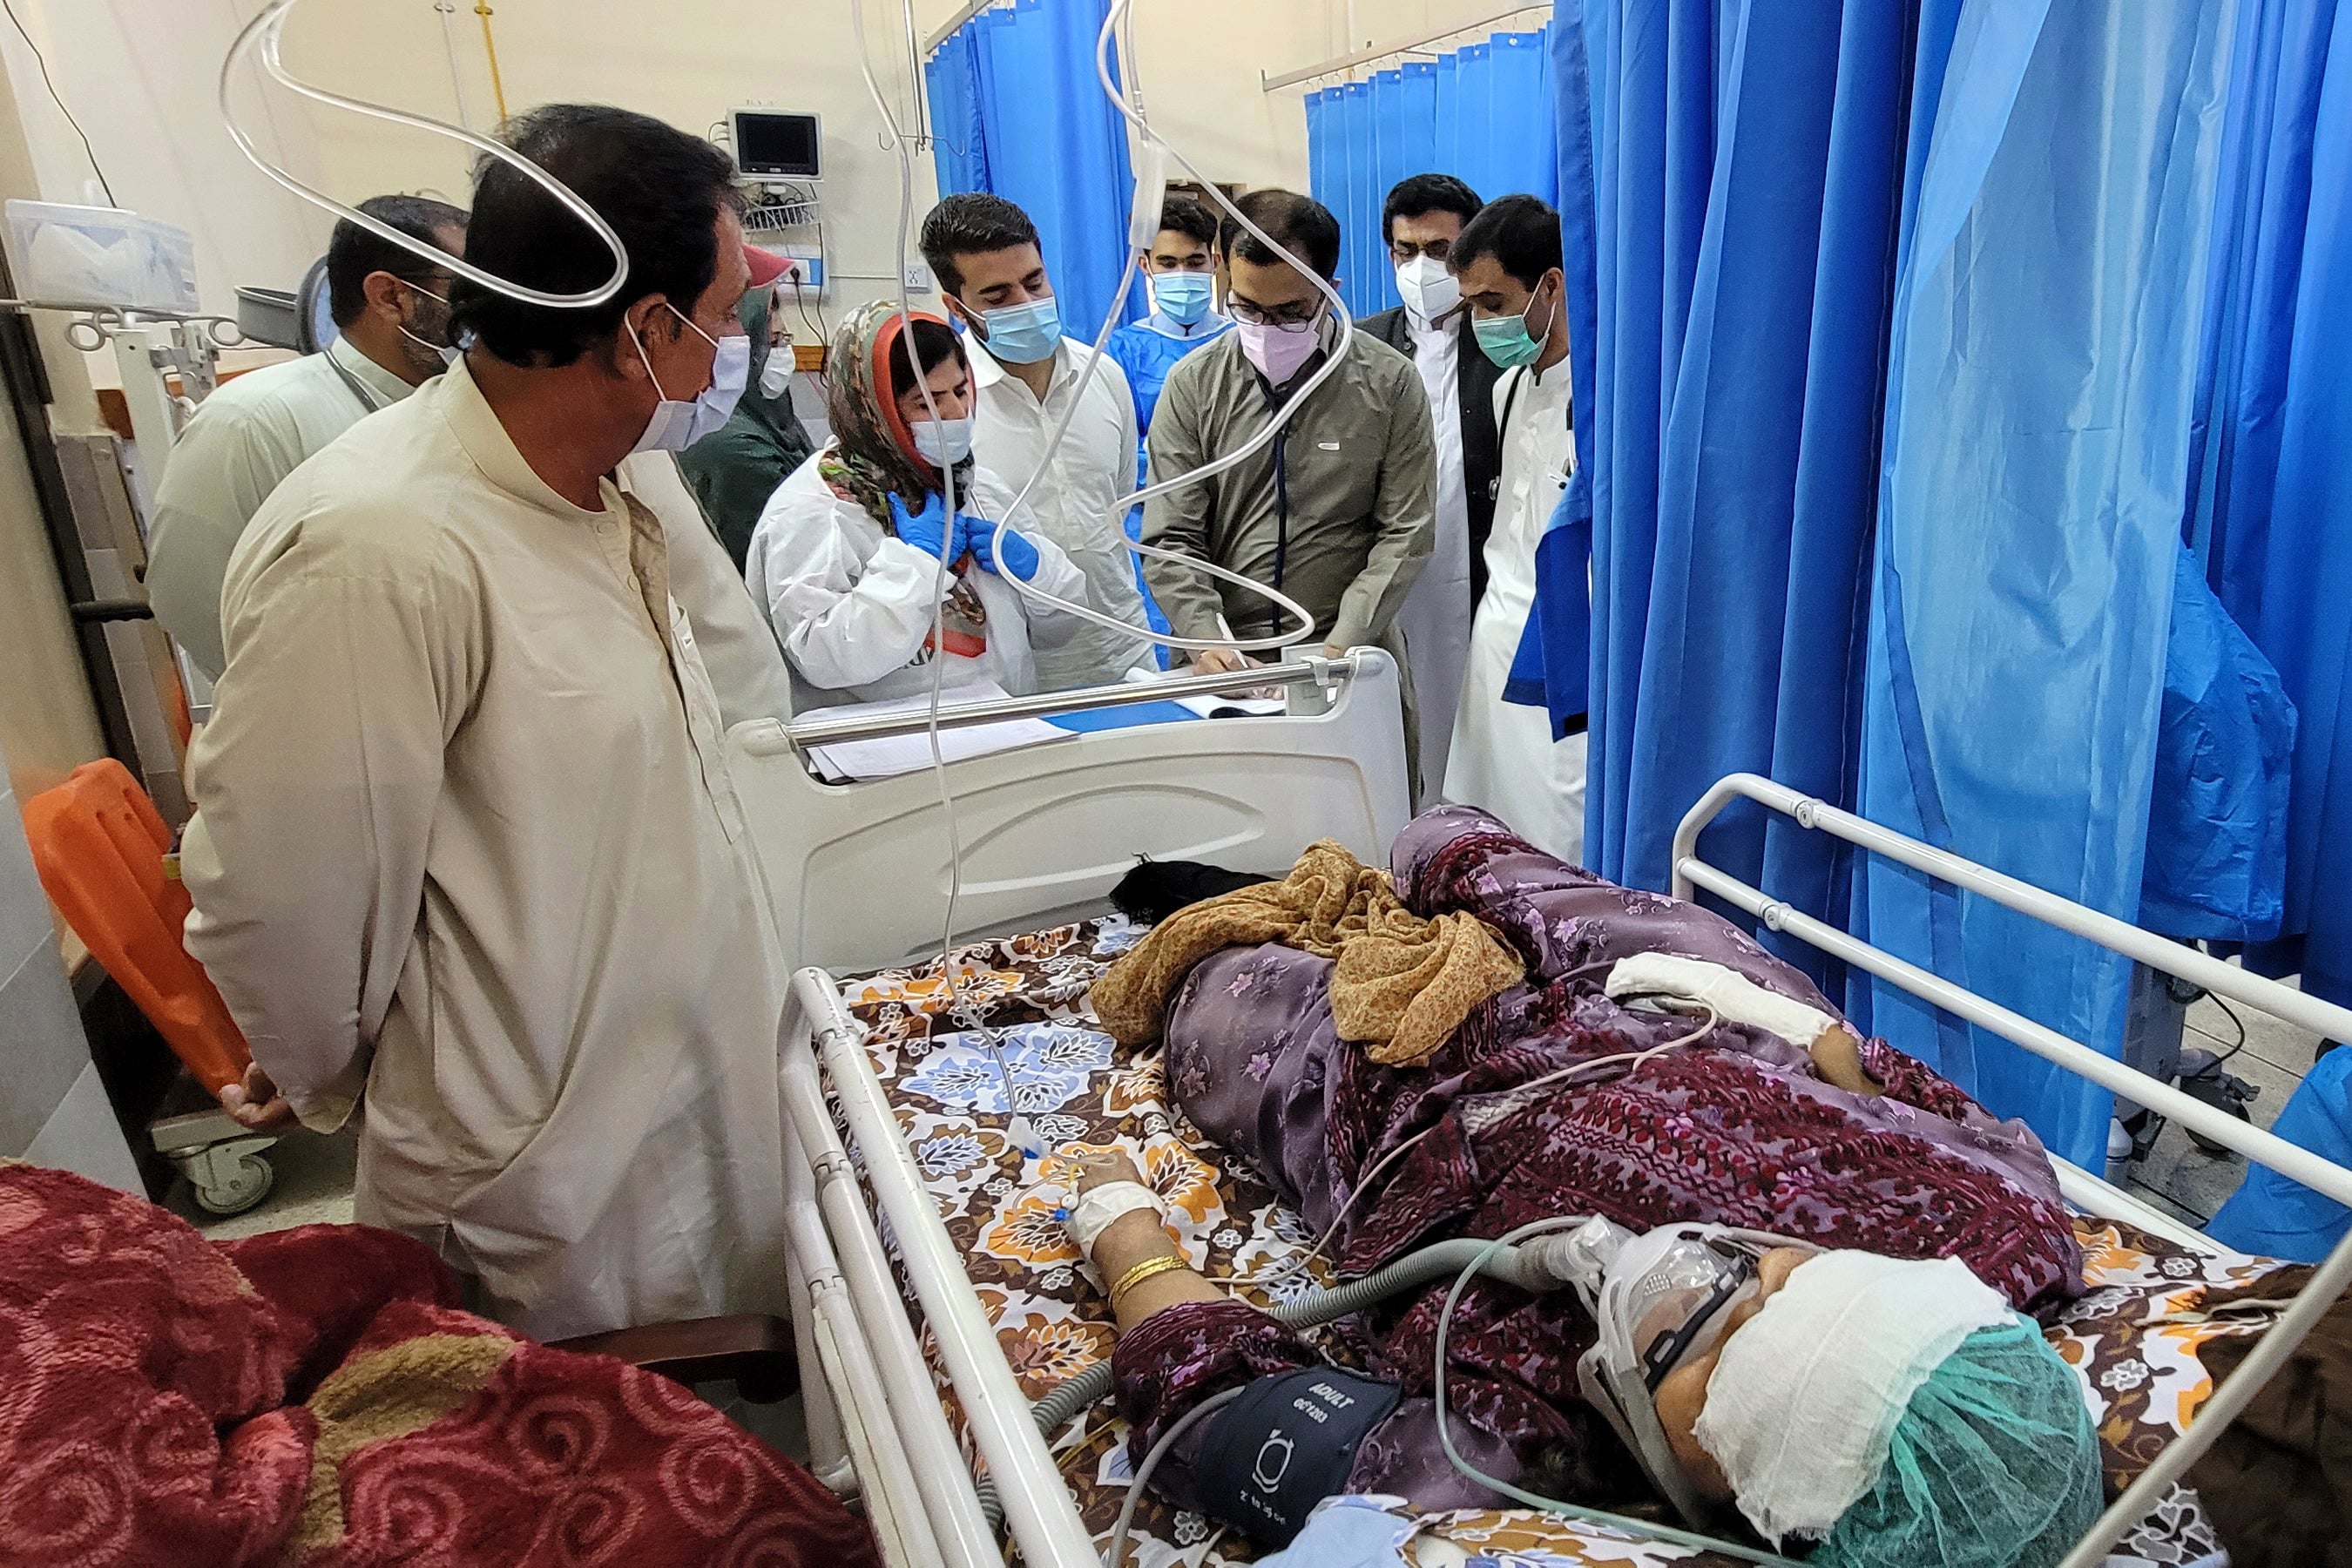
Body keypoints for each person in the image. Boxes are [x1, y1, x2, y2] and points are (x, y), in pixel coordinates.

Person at [1064, 808, 2099, 1565]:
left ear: (1736, 1508)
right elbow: (1914, 1093)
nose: (1709, 1273)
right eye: (1789, 1278)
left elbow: (1217, 1397)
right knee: (1440, 836)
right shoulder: (2010, 1233)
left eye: (1711, 1352)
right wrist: (1790, 1028)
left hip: (1399, 1106)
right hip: (1663, 1006)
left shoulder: (1494, 1451)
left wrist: (1128, 1235)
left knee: (1206, 985)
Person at [181, 104, 796, 1341]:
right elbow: (282, 903)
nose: (738, 346)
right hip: (540, 1157)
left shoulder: (617, 482)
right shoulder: (385, 547)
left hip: (687, 1085)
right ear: (640, 332)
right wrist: (337, 1077)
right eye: (725, 316)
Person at [1140, 190, 1436, 749]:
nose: (1265, 328)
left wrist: (1337, 649)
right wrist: (1210, 642)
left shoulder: (1388, 384)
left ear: (1330, 293)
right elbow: (1170, 537)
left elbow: (1406, 533)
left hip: (1347, 659)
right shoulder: (1194, 385)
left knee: (1362, 829)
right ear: (1226, 276)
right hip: (1226, 674)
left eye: (1290, 312)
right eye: (1248, 308)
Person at [145, 194, 467, 679]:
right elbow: (189, 595)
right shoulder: (252, 420)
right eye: (467, 292)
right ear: (390, 297)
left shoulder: (469, 411)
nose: (491, 315)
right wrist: (314, 706)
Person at [746, 302, 1091, 709]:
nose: (956, 414)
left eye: (961, 391)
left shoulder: (978, 489)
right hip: (886, 759)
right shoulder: (814, 511)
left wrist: (1038, 575)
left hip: (1005, 734)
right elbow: (824, 659)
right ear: (873, 408)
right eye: (927, 403)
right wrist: (913, 566)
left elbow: (1060, 631)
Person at [922, 193, 1154, 690]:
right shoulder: (947, 407)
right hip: (1018, 670)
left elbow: (1117, 497)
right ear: (956, 307)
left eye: (1034, 282)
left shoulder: (1103, 375)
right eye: (998, 297)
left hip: (1124, 647)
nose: (1026, 304)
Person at [1443, 194, 1586, 862]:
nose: (1480, 322)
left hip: (1561, 658)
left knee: (1563, 844)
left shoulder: (1604, 399)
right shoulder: (1508, 390)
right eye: (1471, 304)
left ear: (1551, 286)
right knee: (1486, 839)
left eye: (1494, 303)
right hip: (1493, 644)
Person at [1357, 174, 1498, 800]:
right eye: (1404, 251)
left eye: (1439, 250)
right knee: (1398, 729)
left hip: (1484, 568)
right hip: (1387, 573)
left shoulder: (1503, 336)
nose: (1421, 266)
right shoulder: (1360, 345)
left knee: (1480, 730)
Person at [679, 246, 815, 571]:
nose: (784, 352)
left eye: (785, 340)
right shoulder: (732, 446)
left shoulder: (767, 417)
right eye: (775, 341)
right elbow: (793, 553)